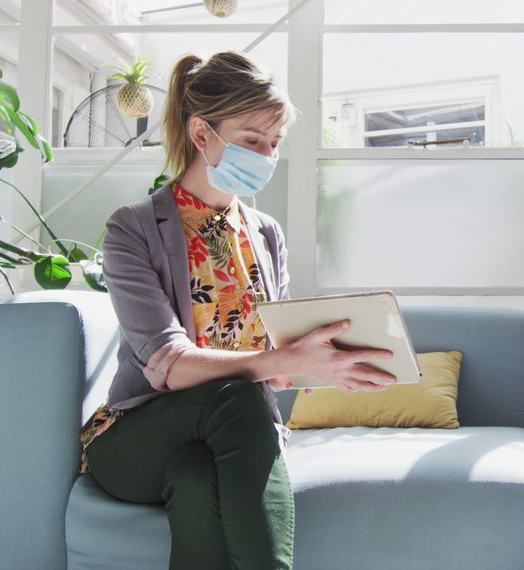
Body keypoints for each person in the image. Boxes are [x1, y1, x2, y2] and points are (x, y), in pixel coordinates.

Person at [80, 52, 397, 569]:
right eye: (253, 140)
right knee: (237, 398)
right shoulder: (132, 229)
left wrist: (323, 363)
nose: (268, 155)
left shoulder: (265, 233)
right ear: (202, 134)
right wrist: (280, 363)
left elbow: (271, 369)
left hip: (217, 437)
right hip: (133, 437)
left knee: (195, 476)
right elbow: (172, 365)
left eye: (274, 143)